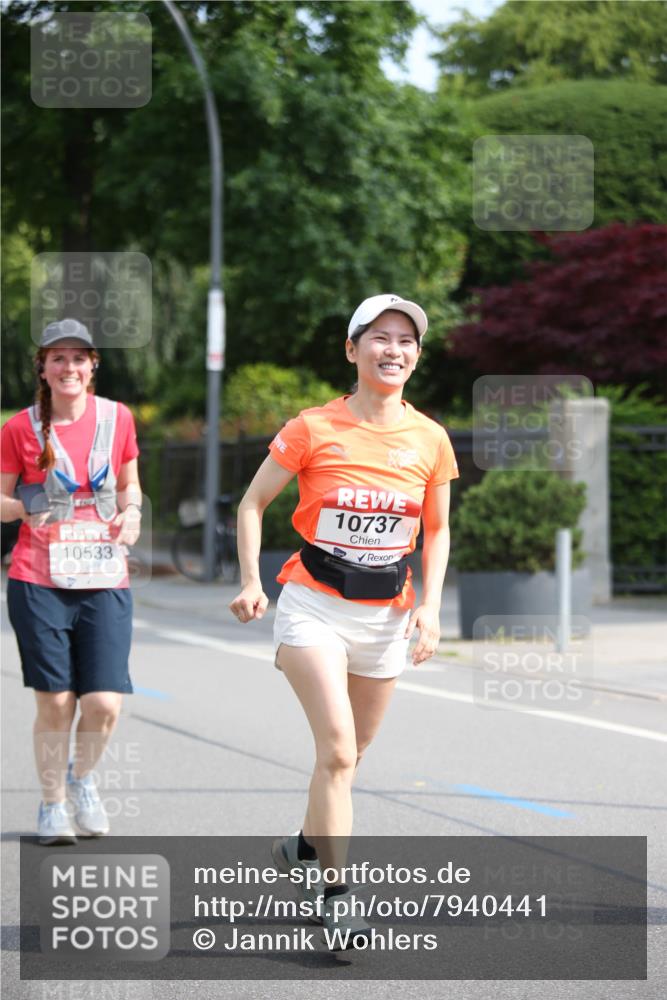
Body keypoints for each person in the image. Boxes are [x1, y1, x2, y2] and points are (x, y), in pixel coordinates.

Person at [229, 294, 459, 945]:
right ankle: (335, 897)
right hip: (312, 604)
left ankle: (304, 848)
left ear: (416, 355)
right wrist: (250, 580)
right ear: (351, 350)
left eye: (406, 340)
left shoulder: (429, 438)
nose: (394, 350)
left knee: (351, 756)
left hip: (387, 613)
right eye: (379, 338)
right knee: (334, 749)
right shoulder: (312, 427)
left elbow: (436, 532)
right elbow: (252, 503)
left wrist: (432, 612)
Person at [1, 319, 142, 845]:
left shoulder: (117, 418)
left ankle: (81, 780)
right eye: (57, 358)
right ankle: (52, 804)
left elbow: (130, 486)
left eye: (78, 358)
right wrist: (28, 506)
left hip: (105, 575)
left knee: (104, 702)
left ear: (93, 365)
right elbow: (2, 500)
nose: (69, 368)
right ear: (42, 367)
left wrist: (133, 517)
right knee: (56, 701)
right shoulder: (21, 427)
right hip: (39, 577)